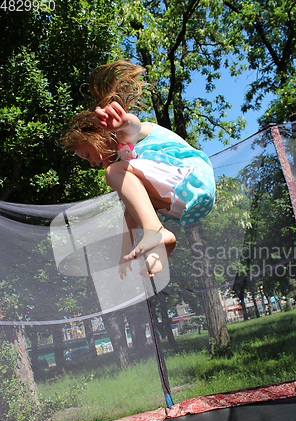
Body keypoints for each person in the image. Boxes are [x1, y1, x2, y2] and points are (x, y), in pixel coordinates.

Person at [61, 61, 215, 279]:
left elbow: (133, 125)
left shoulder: (124, 137)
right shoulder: (128, 172)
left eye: (87, 155)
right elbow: (131, 213)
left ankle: (157, 232)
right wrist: (125, 253)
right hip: (187, 202)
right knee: (135, 203)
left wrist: (123, 121)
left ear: (96, 136)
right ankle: (159, 246)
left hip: (190, 177)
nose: (91, 163)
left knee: (113, 173)